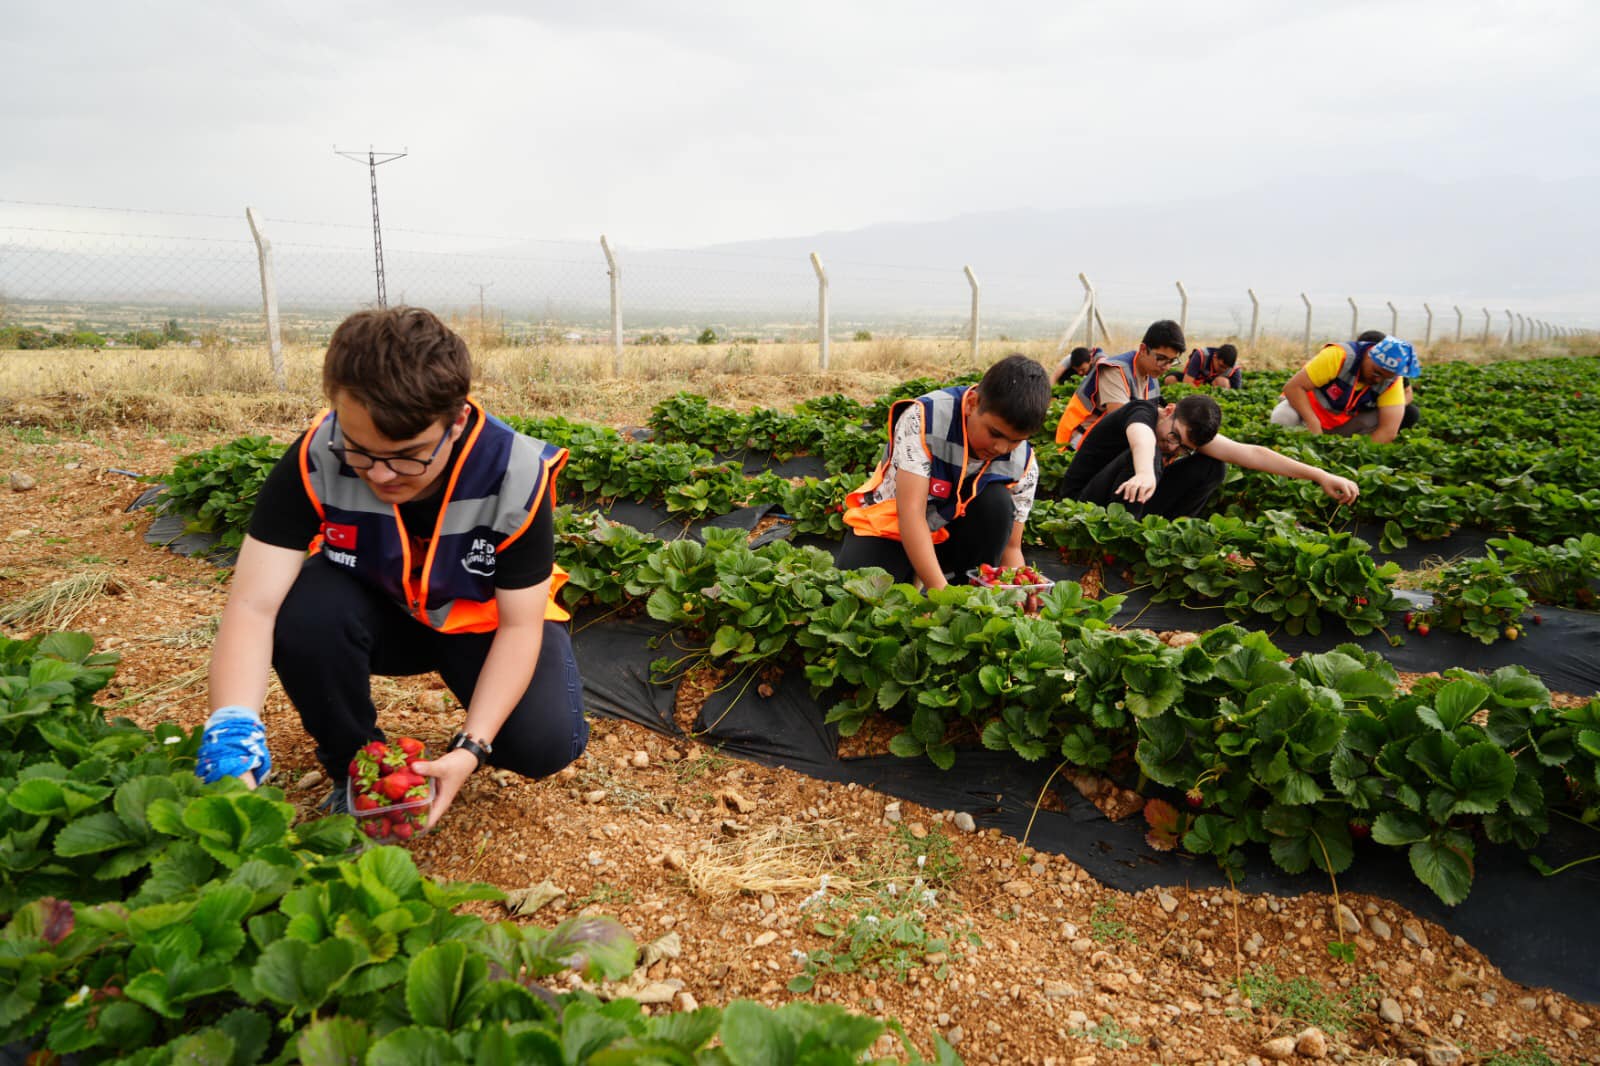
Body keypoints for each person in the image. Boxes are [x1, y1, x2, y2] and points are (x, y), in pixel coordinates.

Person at [195, 307, 588, 829]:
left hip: (481, 630)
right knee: (303, 608)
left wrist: (470, 748)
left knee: (542, 743)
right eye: (359, 450)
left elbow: (520, 627)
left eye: (408, 455)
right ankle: (352, 767)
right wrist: (232, 729)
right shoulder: (318, 453)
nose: (380, 474)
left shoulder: (515, 475)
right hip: (382, 618)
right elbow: (251, 603)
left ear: (457, 422)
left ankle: (483, 741)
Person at [838, 354, 1050, 591]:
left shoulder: (1024, 462)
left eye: (1015, 441)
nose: (1001, 448)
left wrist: (1018, 595)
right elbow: (911, 514)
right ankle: (925, 579)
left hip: (951, 534)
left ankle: (968, 588)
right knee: (860, 593)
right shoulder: (924, 419)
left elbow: (1011, 548)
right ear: (972, 403)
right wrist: (942, 593)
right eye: (994, 433)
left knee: (996, 504)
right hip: (894, 525)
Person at [1057, 394, 1360, 519]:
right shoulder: (1143, 413)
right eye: (1174, 436)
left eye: (1184, 447)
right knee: (1147, 458)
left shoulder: (1180, 436)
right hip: (1082, 502)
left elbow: (1253, 453)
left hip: (1129, 499)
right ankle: (1116, 540)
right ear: (1170, 410)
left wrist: (1321, 475)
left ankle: (1160, 536)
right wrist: (1147, 472)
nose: (1173, 447)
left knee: (1213, 467)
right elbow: (1142, 439)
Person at [1053, 320, 1185, 449]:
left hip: (1109, 438)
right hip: (1082, 440)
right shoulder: (1115, 370)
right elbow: (1120, 420)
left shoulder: (1152, 373)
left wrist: (1164, 413)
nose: (1166, 367)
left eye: (1172, 361)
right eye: (1161, 358)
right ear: (1143, 349)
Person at [1271, 332, 1419, 443]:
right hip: (1306, 415)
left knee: (1396, 415)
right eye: (1376, 372)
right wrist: (1313, 422)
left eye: (1385, 377)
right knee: (1283, 417)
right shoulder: (1339, 355)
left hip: (1342, 424)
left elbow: (1388, 430)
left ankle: (1337, 447)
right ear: (1369, 355)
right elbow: (1292, 387)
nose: (1378, 379)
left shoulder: (1392, 379)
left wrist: (1354, 452)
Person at [1163, 343, 1241, 389]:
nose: (1223, 370)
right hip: (1195, 384)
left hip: (1211, 390)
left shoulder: (1235, 369)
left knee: (1223, 382)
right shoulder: (1201, 355)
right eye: (1221, 366)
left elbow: (1236, 393)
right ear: (1215, 357)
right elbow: (1187, 382)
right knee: (1170, 379)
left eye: (1226, 368)